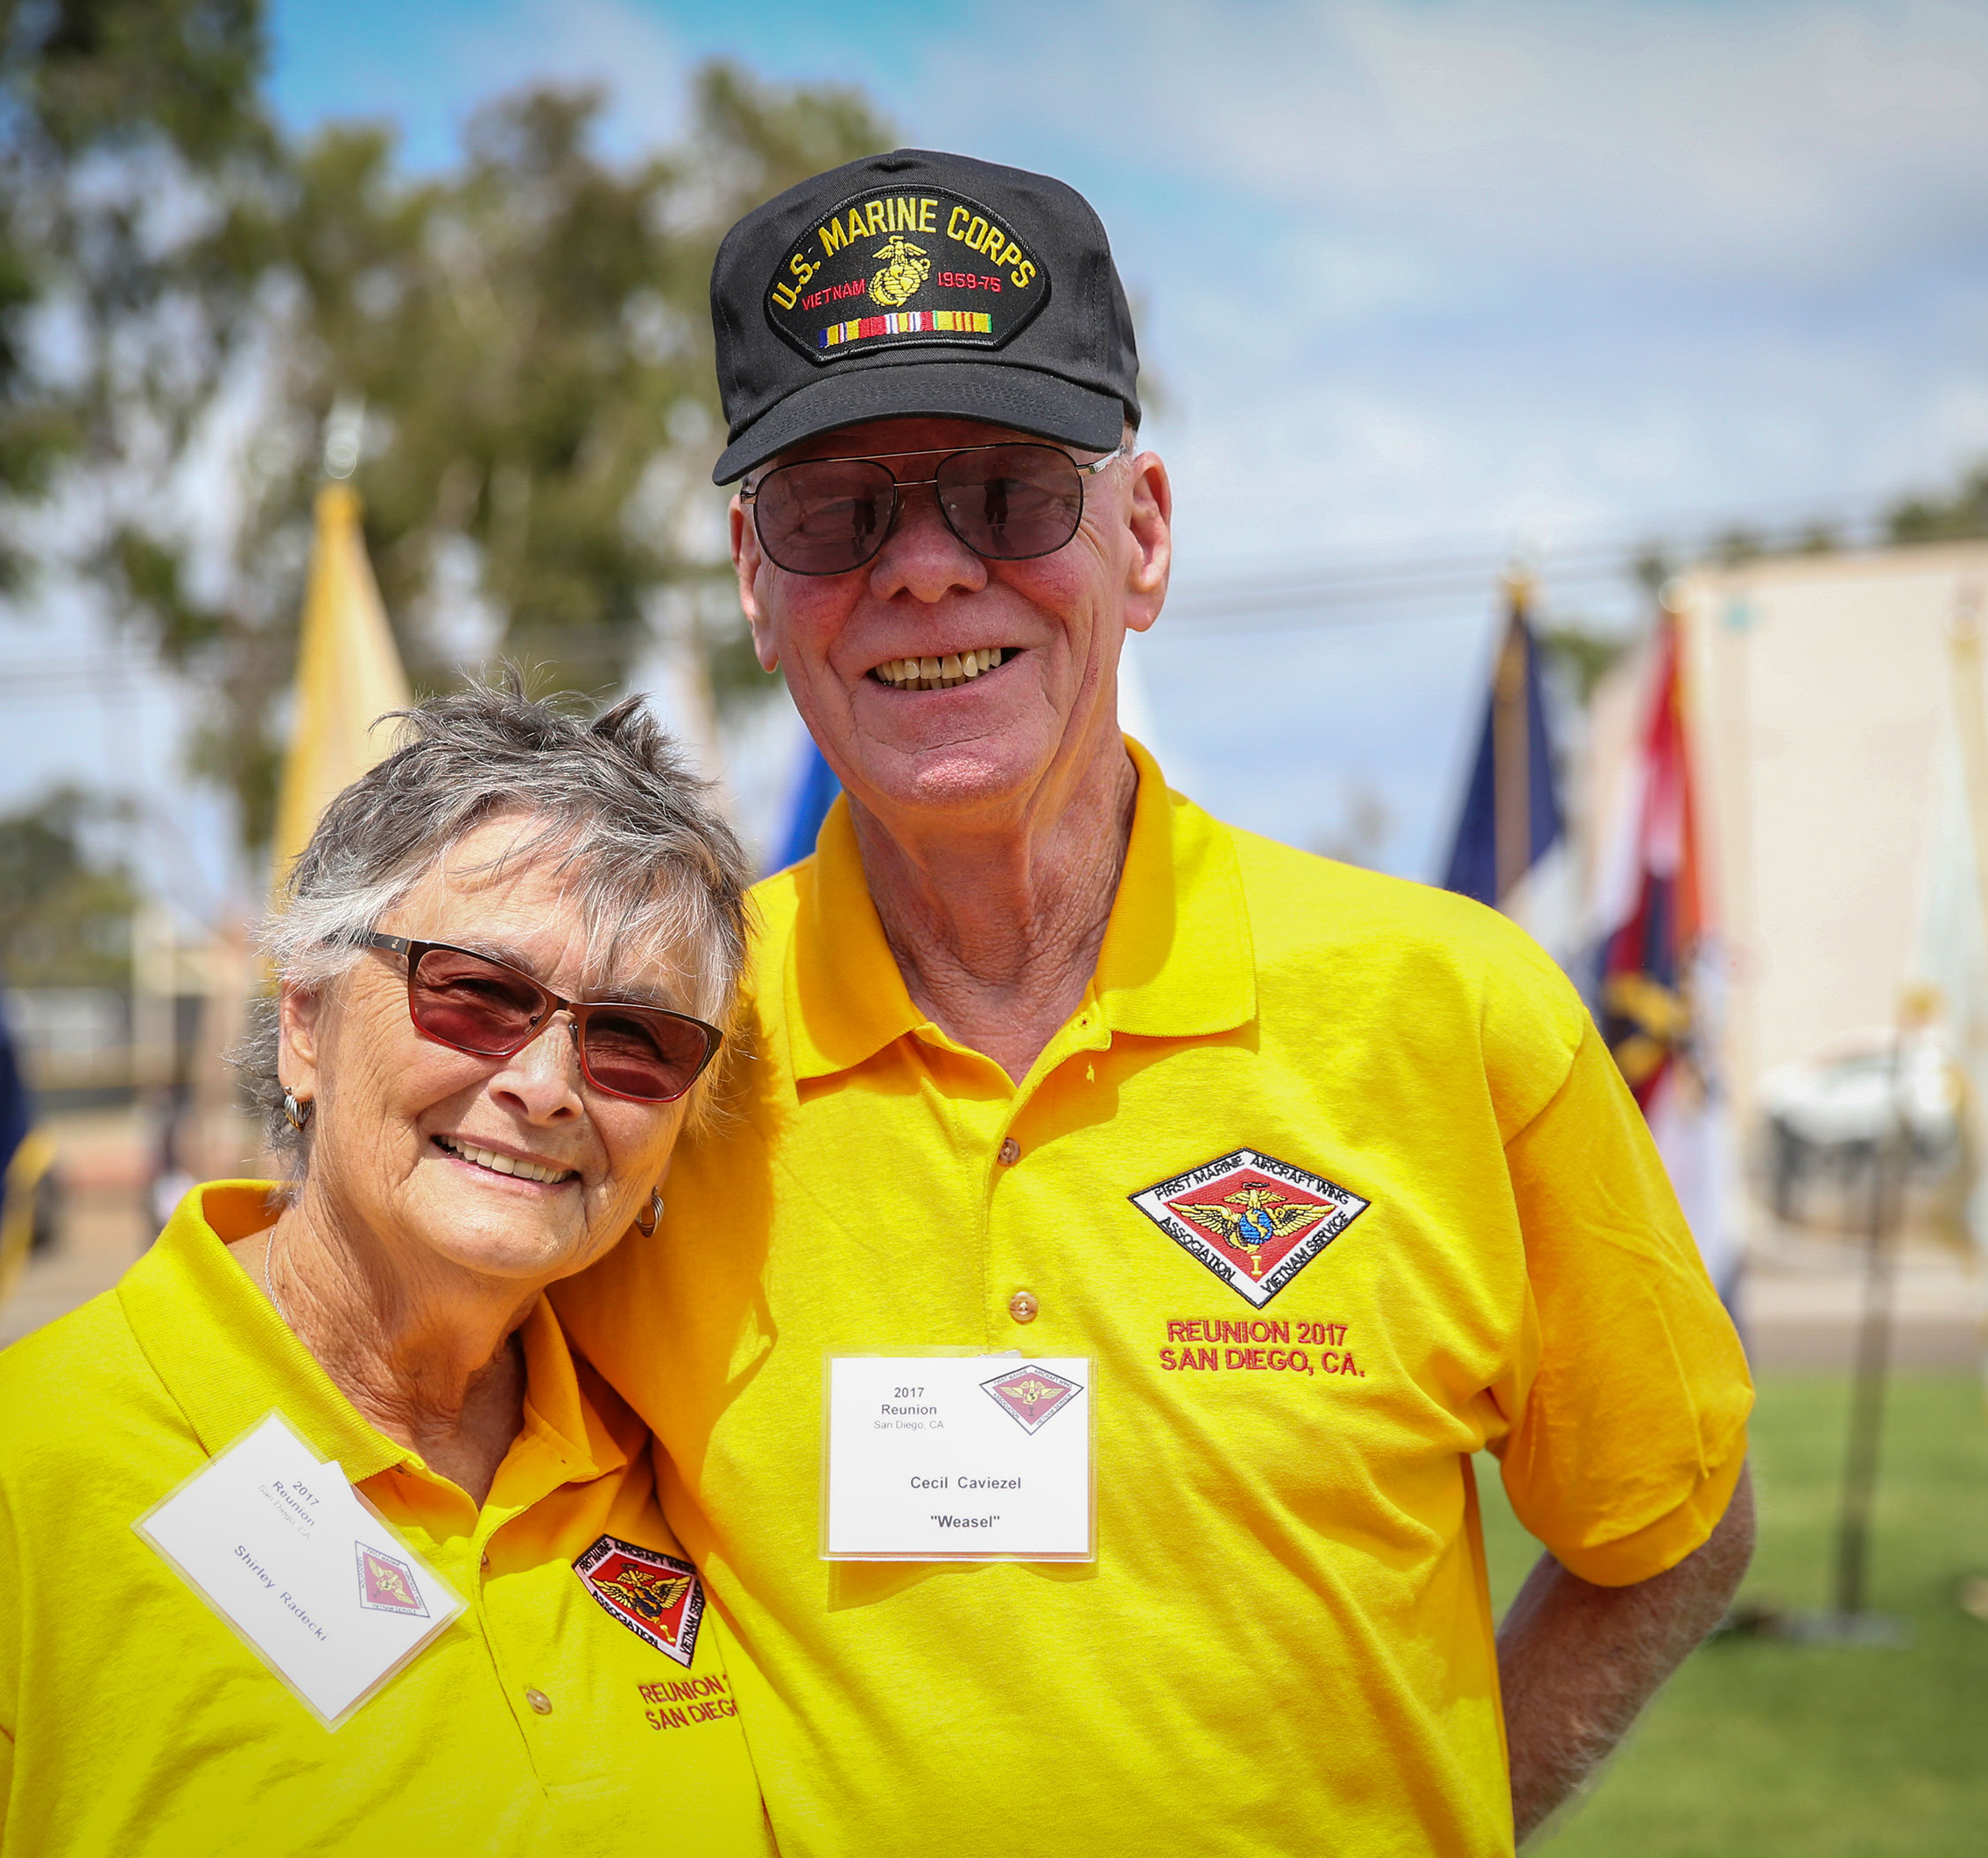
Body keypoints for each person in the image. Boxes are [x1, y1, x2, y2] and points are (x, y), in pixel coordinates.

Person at [552, 151, 1758, 1856]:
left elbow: (1672, 1524)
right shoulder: (643, 1053)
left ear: (1145, 535)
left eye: (1007, 492)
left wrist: (1435, 1814)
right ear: (756, 579)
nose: (923, 568)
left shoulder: (1456, 1009)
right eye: (841, 512)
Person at [0, 688, 773, 1854]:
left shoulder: (677, 1467)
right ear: (305, 1021)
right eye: (476, 993)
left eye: (636, 1039)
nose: (549, 1082)